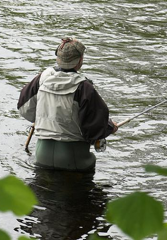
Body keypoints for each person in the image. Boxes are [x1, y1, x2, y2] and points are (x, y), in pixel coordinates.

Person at [17, 37, 118, 171]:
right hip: (73, 159)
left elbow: (24, 109)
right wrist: (110, 127)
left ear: (58, 58)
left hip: (41, 154)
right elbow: (95, 128)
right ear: (80, 60)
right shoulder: (84, 87)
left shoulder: (42, 78)